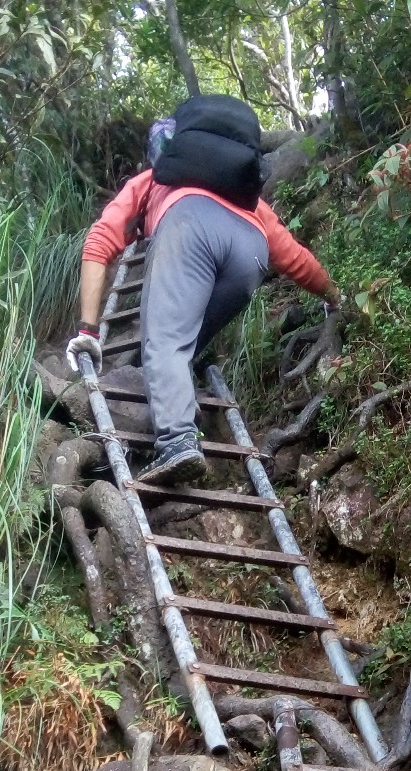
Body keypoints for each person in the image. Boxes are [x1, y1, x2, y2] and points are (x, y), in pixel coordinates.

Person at [67, 95, 338, 487]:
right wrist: (333, 294)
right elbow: (294, 257)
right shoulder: (245, 199)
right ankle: (180, 400)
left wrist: (88, 330)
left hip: (188, 231)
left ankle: (178, 441)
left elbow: (99, 243)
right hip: (251, 255)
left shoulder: (152, 181)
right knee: (184, 341)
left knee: (164, 342)